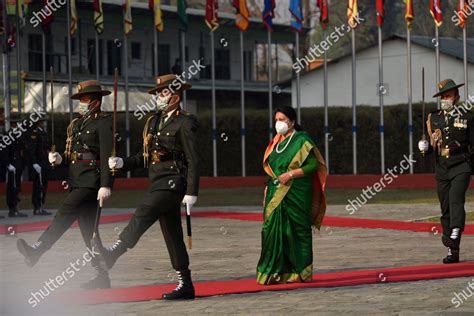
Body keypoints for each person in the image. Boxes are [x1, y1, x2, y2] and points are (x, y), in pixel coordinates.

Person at [96, 74, 200, 300]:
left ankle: (115, 251)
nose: (159, 98)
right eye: (158, 94)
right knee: (172, 234)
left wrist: (192, 190)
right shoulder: (153, 121)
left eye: (163, 93)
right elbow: (146, 157)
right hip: (157, 180)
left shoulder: (185, 121)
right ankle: (186, 284)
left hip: (174, 181)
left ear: (175, 96)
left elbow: (193, 159)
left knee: (145, 209)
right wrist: (123, 163)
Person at [16, 80, 114, 289]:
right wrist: (60, 159)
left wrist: (106, 184)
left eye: (84, 99)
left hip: (91, 182)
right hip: (78, 180)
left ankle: (36, 251)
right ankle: (102, 276)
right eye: (80, 99)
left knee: (62, 215)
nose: (80, 102)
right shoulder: (77, 124)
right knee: (89, 233)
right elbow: (73, 156)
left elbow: (107, 155)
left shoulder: (103, 123)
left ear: (95, 102)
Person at [257, 106, 327, 285]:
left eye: (282, 119)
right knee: (271, 231)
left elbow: (313, 166)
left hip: (297, 193)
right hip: (275, 192)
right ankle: (273, 273)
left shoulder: (302, 140)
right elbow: (272, 171)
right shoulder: (275, 143)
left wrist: (290, 174)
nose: (278, 123)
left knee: (297, 231)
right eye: (276, 119)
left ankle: (300, 272)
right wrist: (267, 188)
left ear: (292, 121)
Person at [418, 79, 474, 264]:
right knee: (445, 208)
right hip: (442, 166)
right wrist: (425, 148)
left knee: (455, 199)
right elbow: (433, 146)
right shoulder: (434, 118)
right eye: (443, 96)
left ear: (457, 97)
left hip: (461, 164)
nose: (445, 99)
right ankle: (452, 250)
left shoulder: (467, 117)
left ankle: (456, 230)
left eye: (448, 96)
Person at [26, 117, 52, 216]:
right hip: (38, 164)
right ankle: (37, 207)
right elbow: (31, 150)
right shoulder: (34, 134)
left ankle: (42, 205)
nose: (43, 123)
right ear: (38, 123)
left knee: (44, 185)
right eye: (41, 122)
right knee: (38, 186)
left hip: (45, 163)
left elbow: (47, 148)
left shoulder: (44, 133)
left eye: (43, 122)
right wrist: (34, 163)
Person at [5, 114, 28, 218]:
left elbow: (22, 150)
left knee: (17, 187)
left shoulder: (19, 134)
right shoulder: (7, 135)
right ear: (14, 124)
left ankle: (16, 208)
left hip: (18, 165)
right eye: (18, 123)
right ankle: (12, 209)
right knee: (12, 187)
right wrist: (8, 164)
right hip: (12, 166)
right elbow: (5, 152)